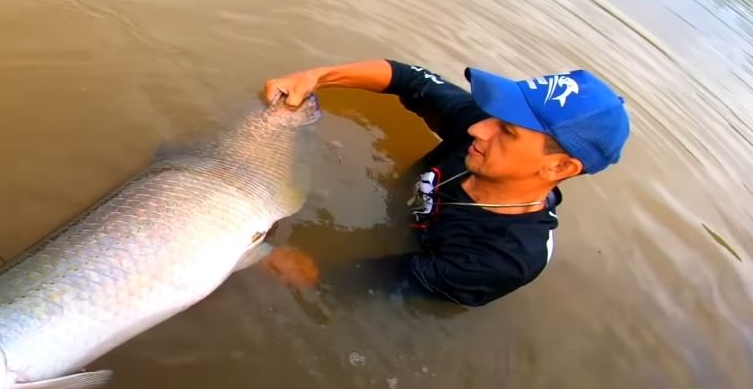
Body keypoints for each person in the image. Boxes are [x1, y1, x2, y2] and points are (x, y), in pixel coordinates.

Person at [262, 59, 630, 307]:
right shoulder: (480, 135)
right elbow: (410, 79)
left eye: (508, 130)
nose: (476, 128)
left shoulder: (500, 259)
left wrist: (287, 263)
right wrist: (318, 78)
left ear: (559, 167)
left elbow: (359, 283)